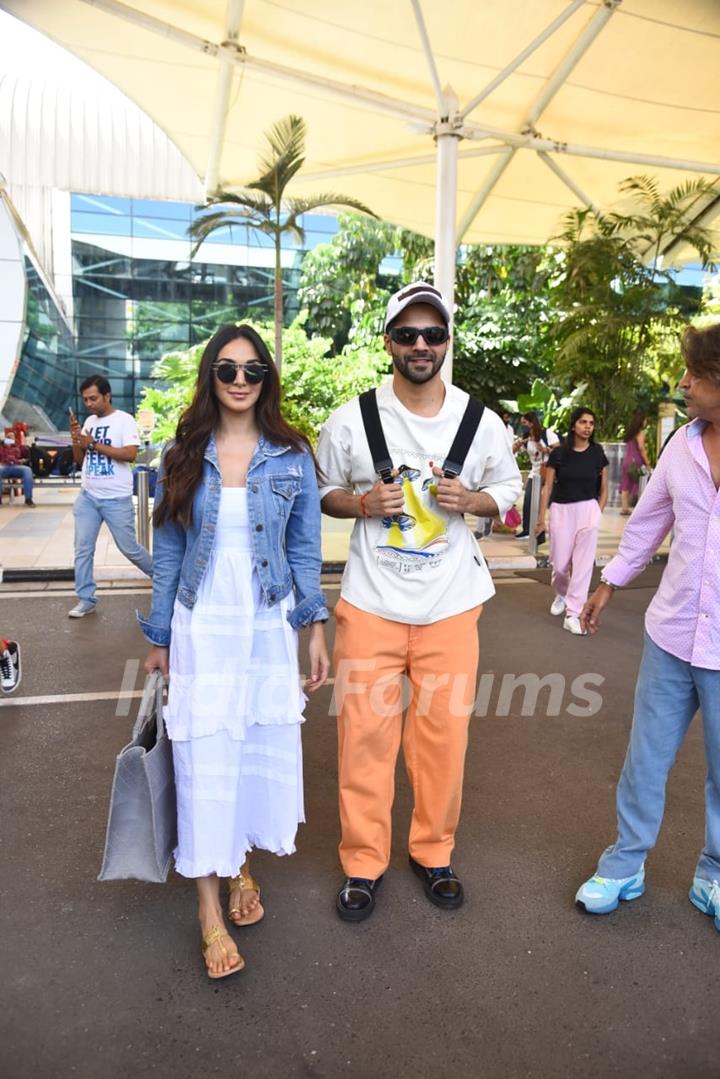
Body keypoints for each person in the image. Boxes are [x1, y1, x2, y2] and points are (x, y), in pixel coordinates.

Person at [317, 281, 521, 921]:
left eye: (433, 334)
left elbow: (510, 487)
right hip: (371, 605)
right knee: (363, 742)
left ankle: (433, 852)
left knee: (443, 742)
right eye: (407, 334)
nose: (421, 345)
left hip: (452, 607)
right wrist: (359, 503)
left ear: (447, 342)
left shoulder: (479, 420)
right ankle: (362, 862)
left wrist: (476, 501)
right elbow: (323, 489)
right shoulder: (352, 419)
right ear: (389, 343)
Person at [141, 324, 329, 979]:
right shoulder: (184, 451)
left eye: (253, 370)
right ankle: (209, 911)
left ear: (267, 378)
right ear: (210, 377)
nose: (242, 381)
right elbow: (167, 548)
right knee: (204, 750)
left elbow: (305, 548)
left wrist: (316, 625)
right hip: (203, 620)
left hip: (265, 618)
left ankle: (242, 860)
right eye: (228, 370)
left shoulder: (292, 454)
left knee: (248, 741)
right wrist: (161, 635)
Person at [575, 323, 720, 931]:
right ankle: (624, 864)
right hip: (671, 632)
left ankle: (713, 876)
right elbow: (648, 522)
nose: (682, 383)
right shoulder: (680, 447)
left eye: (695, 373)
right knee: (645, 760)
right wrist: (607, 583)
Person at [68, 375, 153, 617]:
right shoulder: (88, 422)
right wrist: (77, 440)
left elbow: (129, 455)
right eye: (85, 400)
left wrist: (93, 444)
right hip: (88, 497)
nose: (89, 404)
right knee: (83, 549)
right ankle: (86, 598)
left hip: (116, 498)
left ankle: (165, 578)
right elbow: (79, 460)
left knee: (130, 548)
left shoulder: (124, 421)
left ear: (107, 396)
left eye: (93, 398)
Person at [536, 407, 609, 635]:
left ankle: (573, 613)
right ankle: (562, 592)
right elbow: (547, 488)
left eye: (591, 423)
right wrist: (541, 518)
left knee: (584, 566)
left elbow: (605, 489)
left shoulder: (598, 453)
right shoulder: (559, 454)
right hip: (561, 511)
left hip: (588, 510)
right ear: (573, 425)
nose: (588, 426)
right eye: (583, 422)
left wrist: (597, 512)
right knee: (559, 566)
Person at [514, 410, 559, 541]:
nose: (523, 425)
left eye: (524, 422)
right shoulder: (526, 438)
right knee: (528, 500)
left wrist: (545, 450)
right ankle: (527, 529)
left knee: (547, 503)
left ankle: (544, 528)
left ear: (532, 422)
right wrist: (518, 445)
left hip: (548, 471)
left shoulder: (547, 434)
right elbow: (512, 451)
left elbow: (559, 449)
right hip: (535, 473)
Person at [620, 409, 652, 515]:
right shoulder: (640, 433)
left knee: (625, 483)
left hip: (627, 460)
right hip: (635, 461)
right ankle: (635, 508)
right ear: (641, 421)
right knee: (636, 484)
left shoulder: (630, 434)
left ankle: (624, 508)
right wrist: (647, 463)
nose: (645, 422)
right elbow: (641, 448)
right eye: (645, 420)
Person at [0, 440, 35, 507]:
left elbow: (27, 457)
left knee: (27, 470)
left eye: (12, 436)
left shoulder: (19, 447)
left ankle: (28, 498)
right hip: (3, 466)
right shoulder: (1, 447)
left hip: (17, 465)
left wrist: (23, 460)